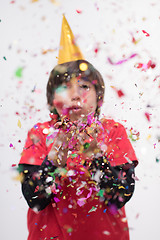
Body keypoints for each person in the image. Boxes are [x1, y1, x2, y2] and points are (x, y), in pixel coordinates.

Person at [18, 16, 138, 240]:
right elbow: (35, 201)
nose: (74, 95)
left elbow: (119, 197)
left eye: (83, 86)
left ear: (98, 97)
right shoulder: (39, 133)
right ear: (52, 99)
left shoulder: (113, 131)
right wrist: (57, 154)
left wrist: (94, 154)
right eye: (64, 86)